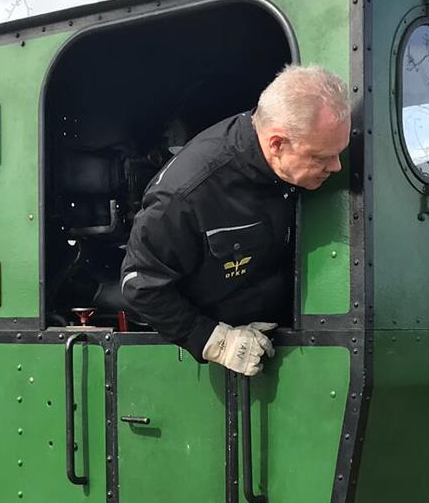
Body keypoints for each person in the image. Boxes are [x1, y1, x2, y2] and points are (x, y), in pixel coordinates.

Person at [119, 64, 350, 376]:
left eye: (338, 153)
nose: (336, 167)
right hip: (228, 362)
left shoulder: (290, 159)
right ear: (277, 144)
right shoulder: (186, 195)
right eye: (320, 157)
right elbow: (141, 285)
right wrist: (214, 340)